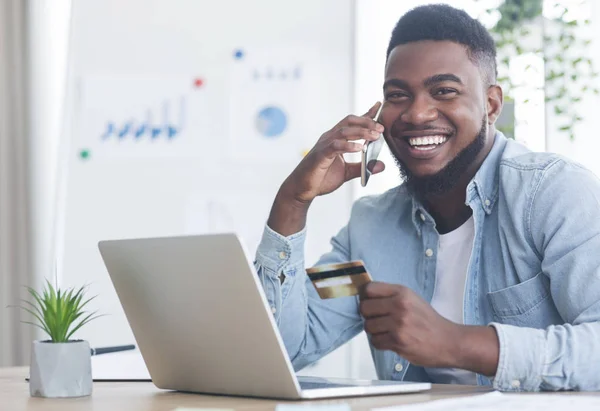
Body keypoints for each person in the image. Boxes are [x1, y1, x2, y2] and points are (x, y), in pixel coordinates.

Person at [253, 4, 600, 392]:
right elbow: (284, 347)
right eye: (398, 95)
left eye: (444, 91)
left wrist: (455, 343)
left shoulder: (553, 195)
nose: (417, 114)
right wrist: (292, 203)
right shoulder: (369, 233)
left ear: (491, 104)